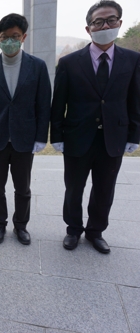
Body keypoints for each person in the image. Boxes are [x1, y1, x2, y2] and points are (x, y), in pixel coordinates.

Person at [51, 0, 140, 254]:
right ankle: (73, 230)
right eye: (98, 21)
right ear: (88, 29)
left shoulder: (132, 60)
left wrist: (134, 133)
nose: (104, 25)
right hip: (77, 136)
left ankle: (95, 231)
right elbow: (59, 103)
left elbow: (135, 100)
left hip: (113, 137)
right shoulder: (69, 62)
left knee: (105, 189)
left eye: (110, 20)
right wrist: (56, 135)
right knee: (74, 188)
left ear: (119, 23)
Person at [0, 13, 52, 245]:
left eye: (15, 36)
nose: (10, 41)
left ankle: (21, 226)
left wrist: (41, 136)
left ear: (24, 37)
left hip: (24, 139)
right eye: (5, 37)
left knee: (23, 188)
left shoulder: (37, 67)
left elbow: (43, 105)